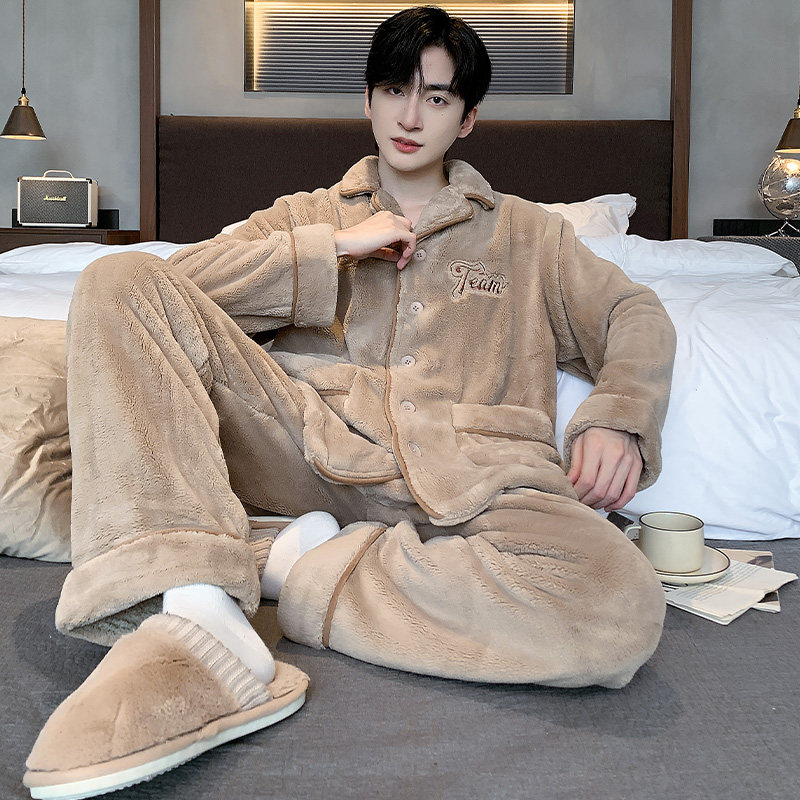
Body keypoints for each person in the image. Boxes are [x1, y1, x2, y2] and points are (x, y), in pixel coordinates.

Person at [23, 7, 676, 799]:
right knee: (114, 277)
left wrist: (618, 415)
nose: (410, 116)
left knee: (618, 605)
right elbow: (165, 290)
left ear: (467, 118)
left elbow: (632, 314)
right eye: (395, 90)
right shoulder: (304, 216)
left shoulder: (530, 237)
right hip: (304, 447)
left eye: (436, 98)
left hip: (474, 478)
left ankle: (279, 561)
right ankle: (198, 615)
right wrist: (332, 249)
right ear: (367, 100)